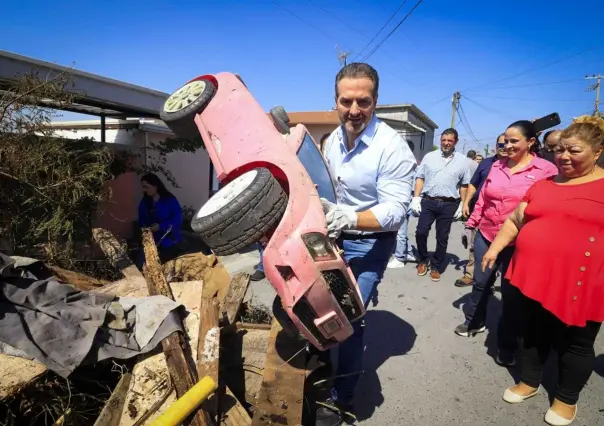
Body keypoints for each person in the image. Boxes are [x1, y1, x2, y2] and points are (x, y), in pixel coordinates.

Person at [483, 115, 604, 425]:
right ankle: (529, 381)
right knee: (531, 334)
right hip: (531, 275)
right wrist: (495, 249)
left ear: (598, 151)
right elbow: (514, 220)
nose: (563, 156)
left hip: (582, 280)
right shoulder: (543, 184)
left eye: (574, 150)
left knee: (575, 342)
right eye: (560, 149)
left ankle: (566, 399)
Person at [316, 62, 416, 426]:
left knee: (350, 318)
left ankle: (342, 399)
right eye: (346, 101)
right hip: (335, 238)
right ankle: (321, 369)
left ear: (376, 102)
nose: (354, 110)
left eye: (364, 102)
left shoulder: (392, 147)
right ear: (335, 101)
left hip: (371, 244)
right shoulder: (332, 141)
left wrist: (350, 217)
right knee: (319, 308)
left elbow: (394, 211)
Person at [454, 121, 558, 367]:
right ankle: (475, 321)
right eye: (504, 142)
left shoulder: (546, 170)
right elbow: (483, 199)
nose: (507, 146)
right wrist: (471, 224)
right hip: (487, 234)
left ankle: (507, 344)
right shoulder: (496, 166)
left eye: (514, 142)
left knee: (512, 295)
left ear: (531, 142)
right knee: (481, 282)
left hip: (521, 242)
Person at [410, 128, 471, 282]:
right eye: (443, 140)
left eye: (449, 140)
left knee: (442, 237)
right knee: (421, 231)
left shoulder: (463, 161)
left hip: (449, 204)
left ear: (455, 142)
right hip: (428, 201)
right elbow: (420, 177)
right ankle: (423, 260)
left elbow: (464, 185)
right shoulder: (429, 157)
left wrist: (462, 203)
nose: (446, 143)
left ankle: (436, 265)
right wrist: (416, 198)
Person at [454, 134, 507, 287]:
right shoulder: (485, 163)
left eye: (507, 144)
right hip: (480, 212)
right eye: (501, 145)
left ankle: (493, 280)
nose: (504, 148)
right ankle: (471, 275)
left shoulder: (513, 165)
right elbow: (473, 184)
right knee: (474, 245)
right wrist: (465, 203)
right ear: (496, 146)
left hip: (504, 216)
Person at [138, 173, 184, 266]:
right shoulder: (144, 203)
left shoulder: (169, 200)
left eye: (146, 187)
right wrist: (146, 230)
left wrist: (161, 226)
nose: (144, 190)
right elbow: (142, 220)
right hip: (152, 244)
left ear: (155, 185)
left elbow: (178, 218)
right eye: (143, 187)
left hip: (170, 242)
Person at [387, 161, 418, 268]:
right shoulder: (411, 168)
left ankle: (399, 258)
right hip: (405, 202)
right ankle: (409, 252)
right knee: (401, 231)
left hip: (402, 203)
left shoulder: (406, 170)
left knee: (400, 232)